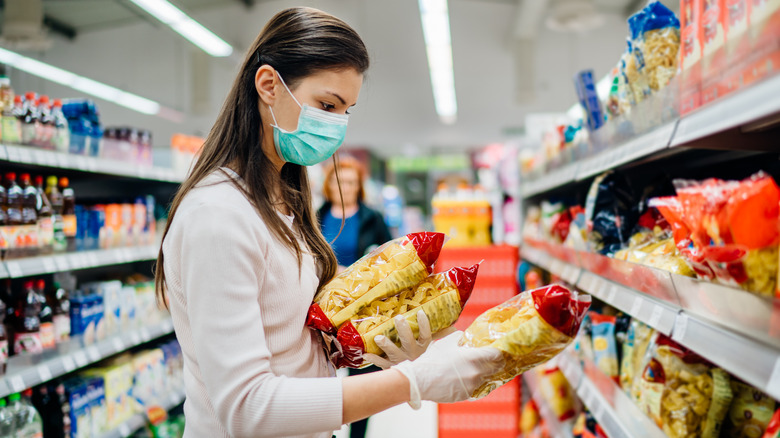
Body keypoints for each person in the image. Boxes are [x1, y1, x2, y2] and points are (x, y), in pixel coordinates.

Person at [155, 7, 503, 438]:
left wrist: (368, 348)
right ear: (268, 86)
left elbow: (290, 344)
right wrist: (412, 383)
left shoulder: (285, 203)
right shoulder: (217, 217)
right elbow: (247, 409)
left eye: (346, 111)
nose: (336, 126)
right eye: (327, 105)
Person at [317, 156, 391, 438]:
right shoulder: (315, 216)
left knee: (363, 378)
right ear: (328, 185)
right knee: (324, 375)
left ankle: (358, 435)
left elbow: (391, 259)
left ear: (359, 186)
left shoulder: (373, 219)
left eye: (350, 181)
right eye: (338, 180)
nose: (344, 186)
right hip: (325, 309)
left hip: (364, 312)